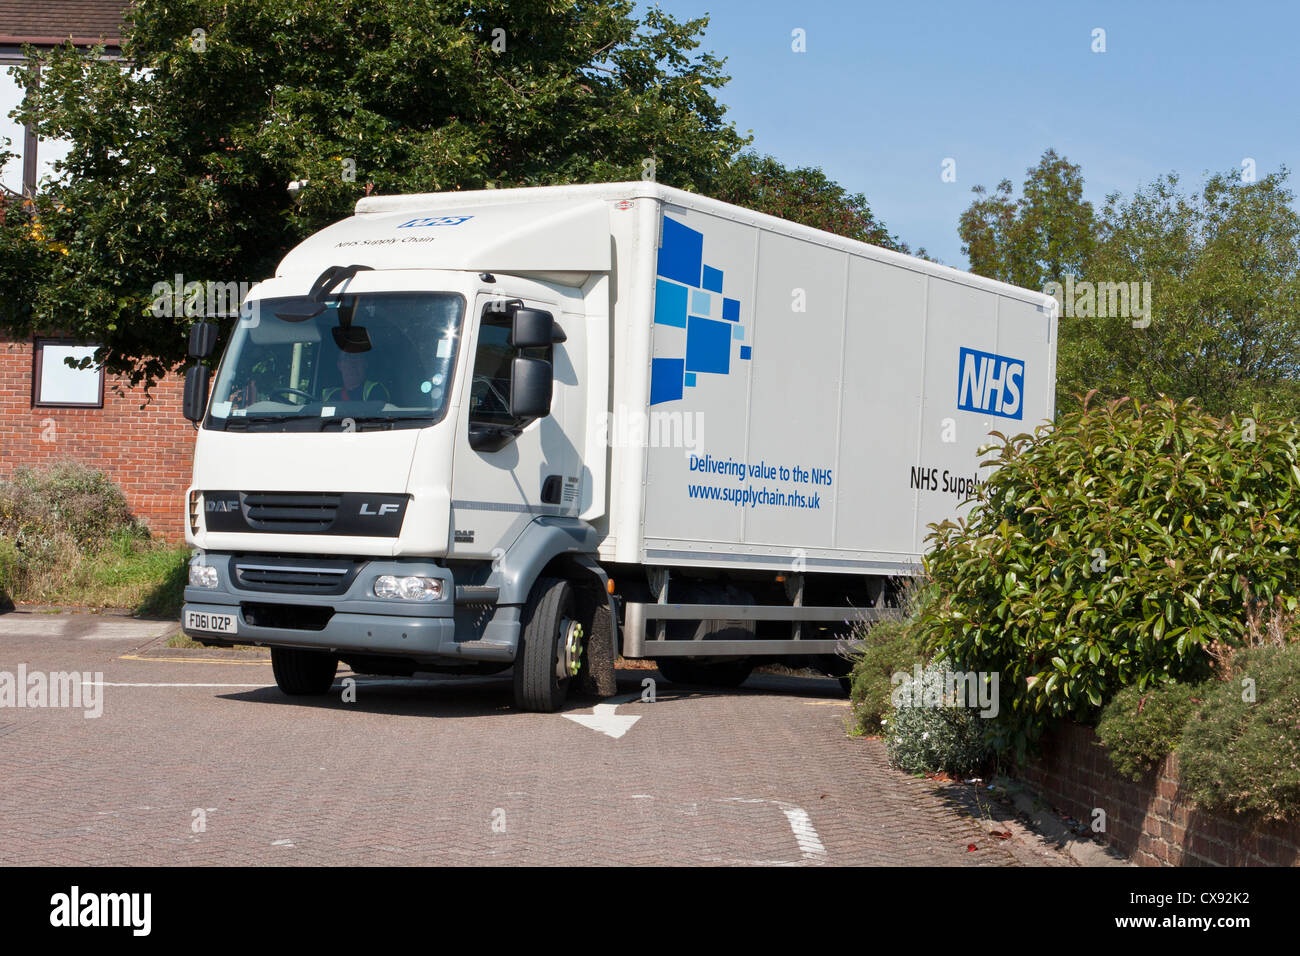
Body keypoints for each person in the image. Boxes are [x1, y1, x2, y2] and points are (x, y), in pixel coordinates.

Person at [324, 351, 389, 403]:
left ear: (365, 364)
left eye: (357, 357)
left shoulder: (375, 390)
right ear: (339, 365)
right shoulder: (330, 396)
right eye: (347, 358)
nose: (352, 364)